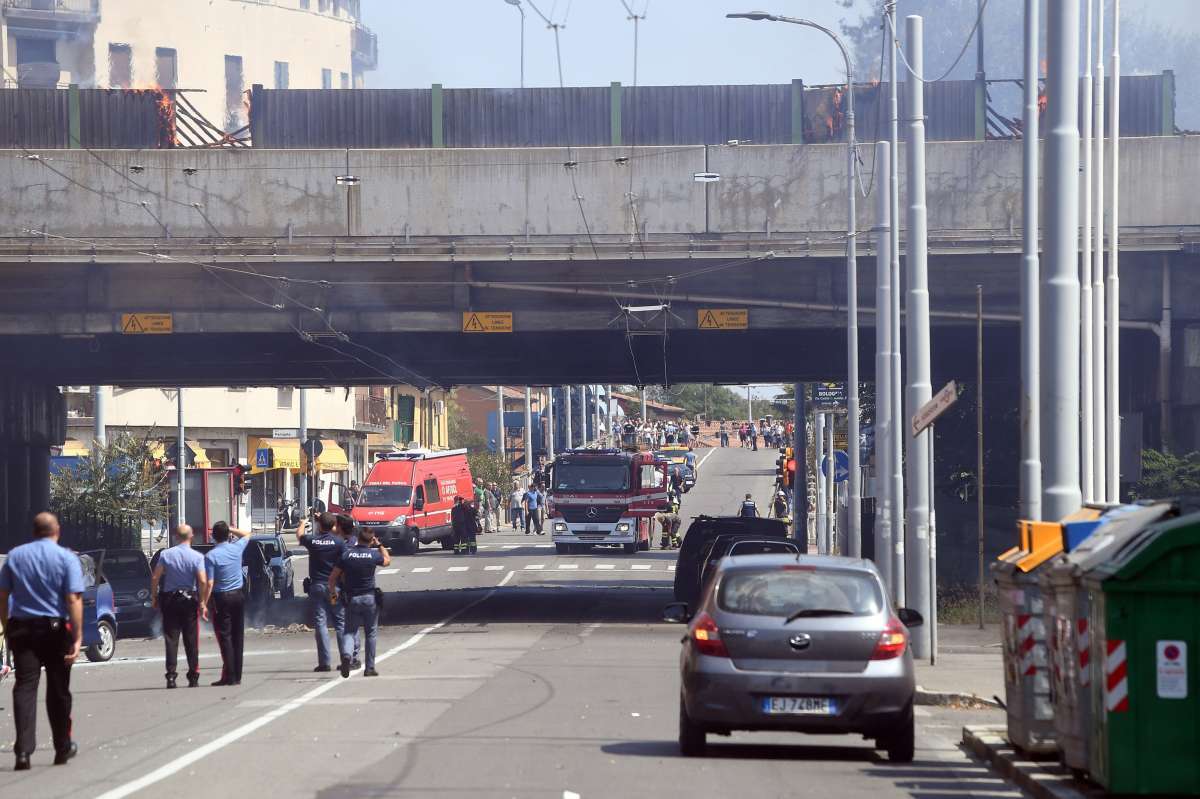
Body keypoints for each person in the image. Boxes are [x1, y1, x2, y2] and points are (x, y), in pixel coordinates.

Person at [0, 513, 82, 770]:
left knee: (25, 686)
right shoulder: (67, 557)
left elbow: (2, 596)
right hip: (54, 629)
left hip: (22, 629)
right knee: (58, 689)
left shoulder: (15, 556)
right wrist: (77, 637)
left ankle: (23, 752)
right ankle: (62, 747)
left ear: (33, 531)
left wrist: (6, 626)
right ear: (57, 530)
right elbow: (73, 599)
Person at [150, 523, 209, 689]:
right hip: (189, 599)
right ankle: (193, 675)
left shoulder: (166, 554)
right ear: (191, 537)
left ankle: (171, 676)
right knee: (191, 639)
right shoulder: (197, 557)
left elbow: (155, 577)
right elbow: (203, 580)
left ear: (176, 537)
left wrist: (154, 596)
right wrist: (203, 601)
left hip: (170, 599)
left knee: (171, 639)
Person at [328, 528, 391, 677]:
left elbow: (332, 578)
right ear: (371, 540)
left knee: (350, 631)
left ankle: (347, 656)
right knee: (371, 634)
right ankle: (369, 668)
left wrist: (333, 595)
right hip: (369, 598)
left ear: (358, 539)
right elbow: (387, 561)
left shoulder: (346, 555)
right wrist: (380, 545)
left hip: (352, 599)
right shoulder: (373, 555)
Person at [201, 521, 253, 686]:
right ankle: (236, 675)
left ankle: (229, 675)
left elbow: (209, 583)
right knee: (238, 636)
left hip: (221, 598)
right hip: (238, 596)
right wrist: (230, 528)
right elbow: (247, 534)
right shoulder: (236, 548)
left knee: (225, 637)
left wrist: (203, 603)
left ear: (213, 537)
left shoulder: (211, 556)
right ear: (228, 535)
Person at [297, 512, 346, 673]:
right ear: (333, 526)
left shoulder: (313, 541)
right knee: (339, 622)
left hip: (317, 587)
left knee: (321, 622)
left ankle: (324, 662)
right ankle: (346, 655)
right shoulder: (339, 542)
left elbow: (300, 535)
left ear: (319, 526)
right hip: (333, 588)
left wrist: (304, 522)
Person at [334, 514, 363, 669]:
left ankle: (352, 656)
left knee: (350, 623)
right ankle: (351, 655)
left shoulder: (348, 544)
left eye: (336, 525)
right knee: (348, 622)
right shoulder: (348, 541)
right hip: (350, 587)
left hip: (349, 588)